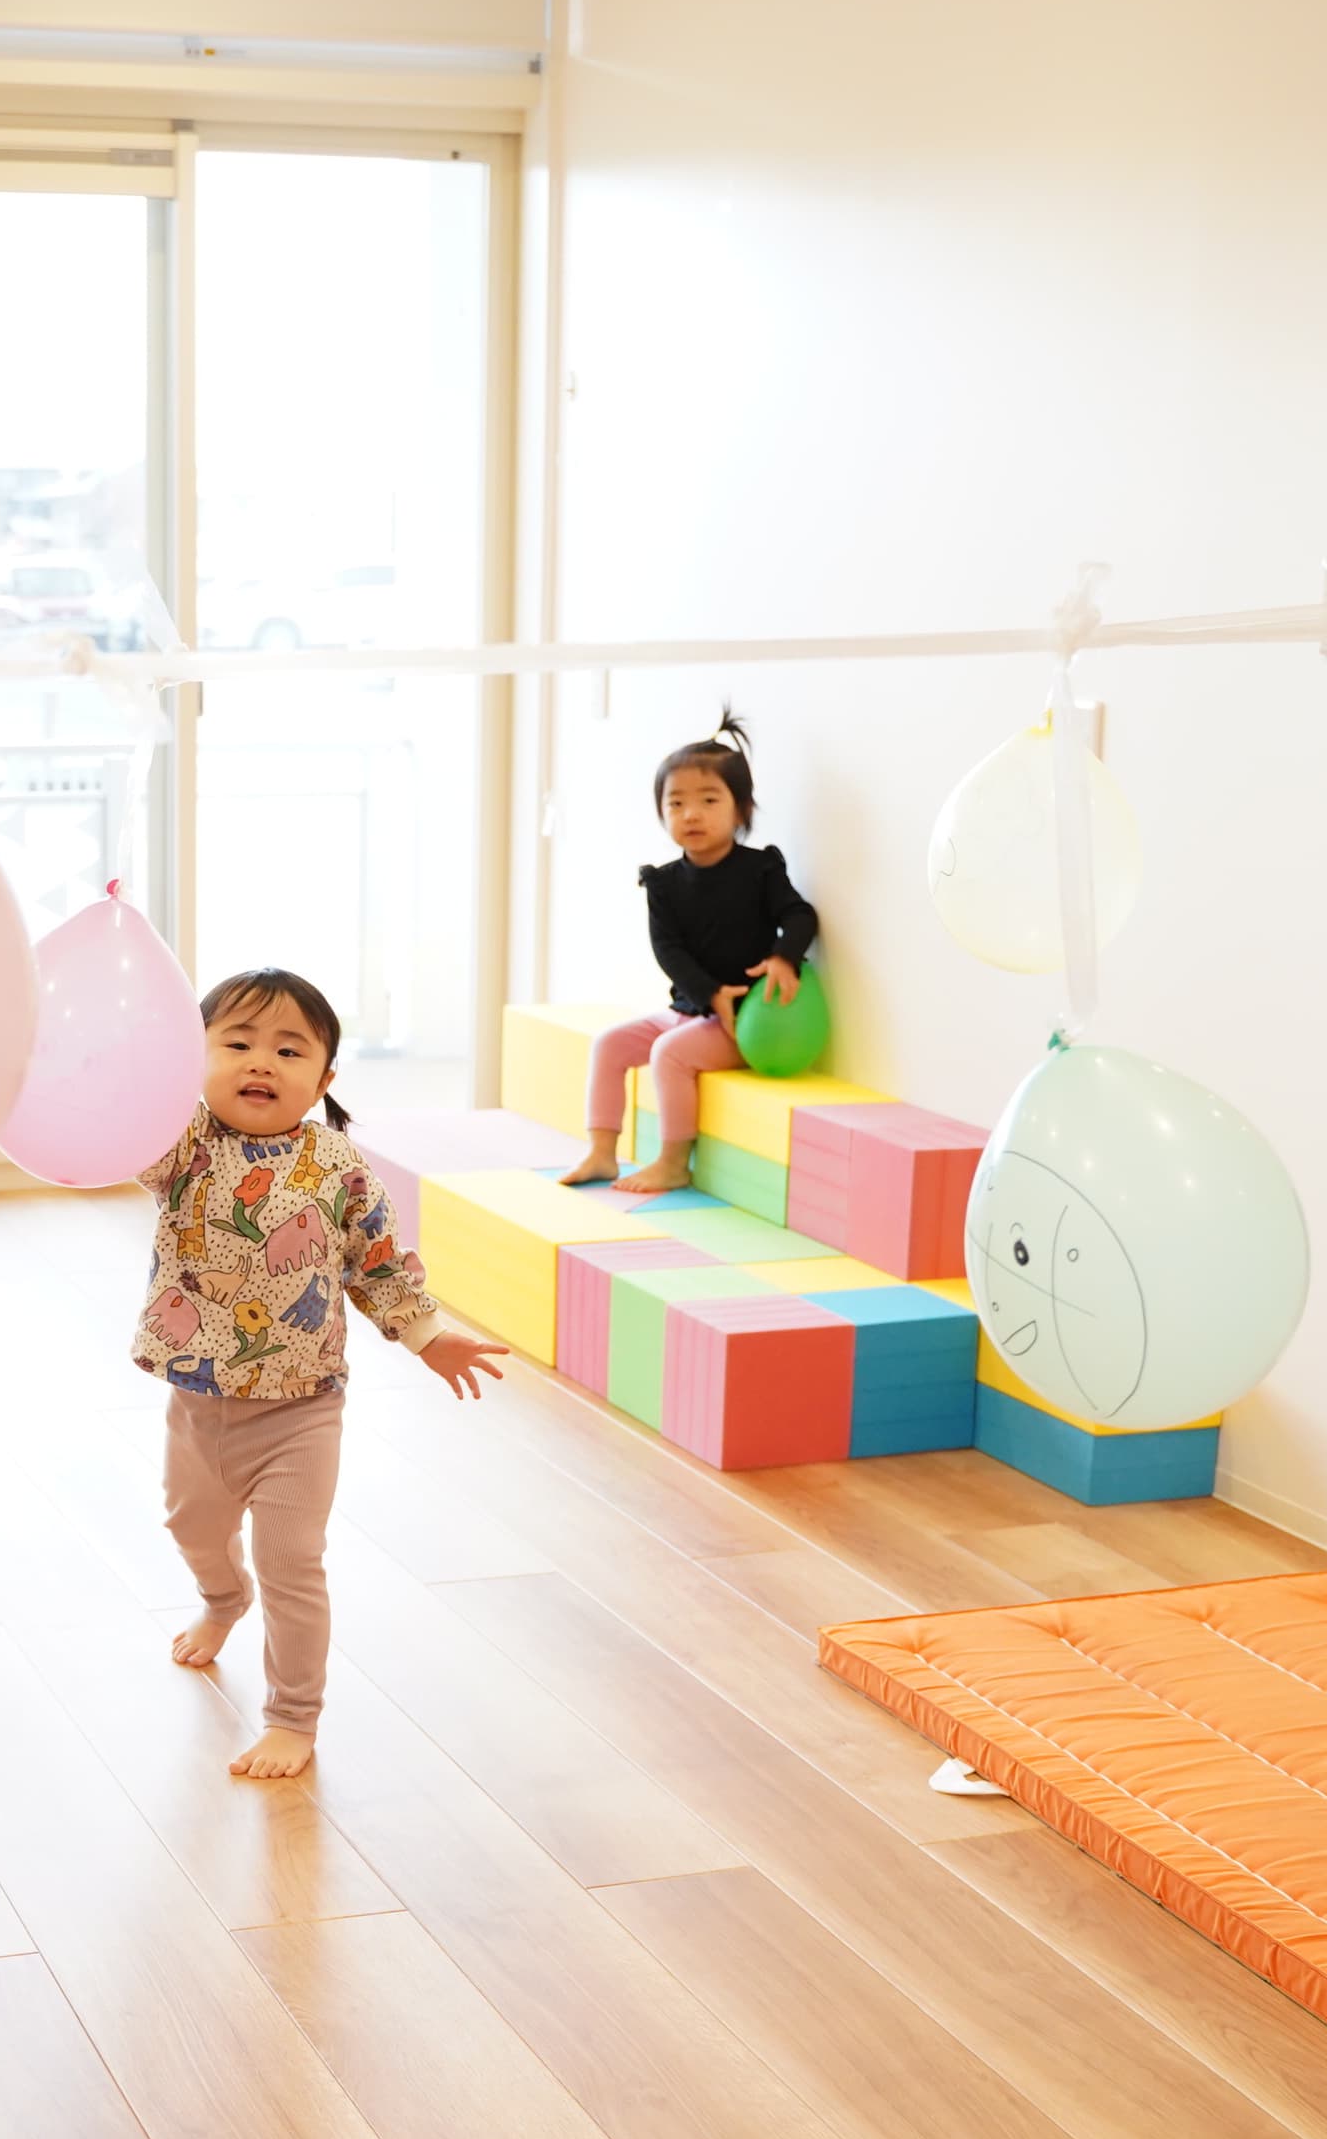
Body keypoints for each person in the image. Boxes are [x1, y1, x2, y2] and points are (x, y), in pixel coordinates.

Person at [136, 966, 507, 1778]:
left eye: (288, 1050)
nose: (260, 1062)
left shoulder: (338, 1166)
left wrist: (429, 1336)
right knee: (191, 1527)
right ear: (194, 1058)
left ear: (324, 1079)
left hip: (300, 1411)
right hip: (197, 1401)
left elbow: (378, 1265)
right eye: (236, 1043)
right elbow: (122, 1132)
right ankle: (222, 1600)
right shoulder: (182, 1145)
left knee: (292, 1563)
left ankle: (293, 1718)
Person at [557, 710, 820, 1196]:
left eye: (708, 800)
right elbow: (668, 950)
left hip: (742, 1022)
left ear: (741, 810)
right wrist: (708, 993)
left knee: (670, 1054)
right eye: (676, 803)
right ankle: (601, 1152)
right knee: (609, 1044)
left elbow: (801, 914)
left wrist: (784, 958)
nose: (691, 814)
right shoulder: (663, 882)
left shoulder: (760, 871)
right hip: (692, 1008)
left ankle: (675, 1162)